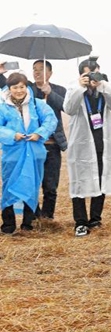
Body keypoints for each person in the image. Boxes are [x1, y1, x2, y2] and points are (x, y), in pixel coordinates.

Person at [63, 58, 111, 237]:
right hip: (81, 145)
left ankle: (95, 218)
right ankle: (80, 222)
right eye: (87, 75)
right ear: (80, 75)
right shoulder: (74, 89)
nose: (91, 78)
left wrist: (103, 85)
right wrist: (80, 88)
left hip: (101, 144)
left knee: (101, 180)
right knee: (79, 183)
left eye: (94, 73)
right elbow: (69, 108)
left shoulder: (104, 90)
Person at [0, 73, 56, 234]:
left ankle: (27, 223)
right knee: (9, 186)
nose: (19, 90)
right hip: (12, 154)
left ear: (27, 87)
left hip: (34, 152)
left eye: (22, 87)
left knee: (32, 185)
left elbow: (51, 120)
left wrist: (39, 133)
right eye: (15, 87)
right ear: (9, 89)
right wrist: (12, 135)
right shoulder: (3, 107)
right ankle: (8, 224)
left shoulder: (37, 104)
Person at [31, 59, 67, 220]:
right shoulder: (27, 89)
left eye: (41, 69)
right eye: (34, 69)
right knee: (32, 183)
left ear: (50, 73)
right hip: (32, 144)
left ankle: (47, 219)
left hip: (53, 145)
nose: (37, 72)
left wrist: (50, 93)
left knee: (50, 186)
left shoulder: (59, 89)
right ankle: (32, 217)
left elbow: (66, 107)